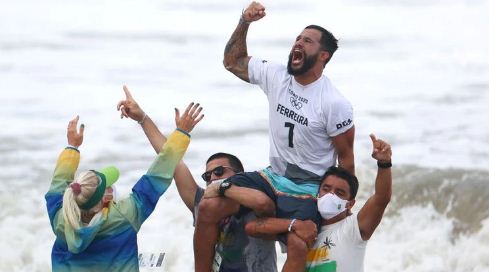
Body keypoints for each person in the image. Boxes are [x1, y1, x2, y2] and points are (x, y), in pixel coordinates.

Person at [195, 1, 356, 271]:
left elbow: (346, 160)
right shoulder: (277, 75)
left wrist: (340, 207)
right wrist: (244, 22)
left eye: (307, 41)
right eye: (297, 39)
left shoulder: (334, 103)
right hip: (272, 177)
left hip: (308, 188)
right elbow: (232, 62)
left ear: (324, 55)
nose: (298, 44)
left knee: (297, 243)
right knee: (208, 207)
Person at [117, 86, 279, 272]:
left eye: (219, 172)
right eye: (207, 176)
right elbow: (172, 163)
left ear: (239, 175)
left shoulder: (253, 201)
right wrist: (142, 118)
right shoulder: (202, 203)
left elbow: (265, 205)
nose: (212, 179)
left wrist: (225, 188)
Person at [45, 102, 201, 271]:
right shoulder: (124, 216)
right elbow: (157, 175)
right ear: (104, 199)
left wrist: (72, 147)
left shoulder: (60, 219)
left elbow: (58, 182)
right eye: (107, 186)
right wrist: (181, 134)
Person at [245, 134, 392, 272]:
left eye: (339, 192)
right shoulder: (304, 226)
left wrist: (384, 163)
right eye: (326, 189)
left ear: (350, 204)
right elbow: (252, 228)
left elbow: (381, 199)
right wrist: (293, 224)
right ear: (318, 192)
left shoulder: (353, 228)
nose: (330, 195)